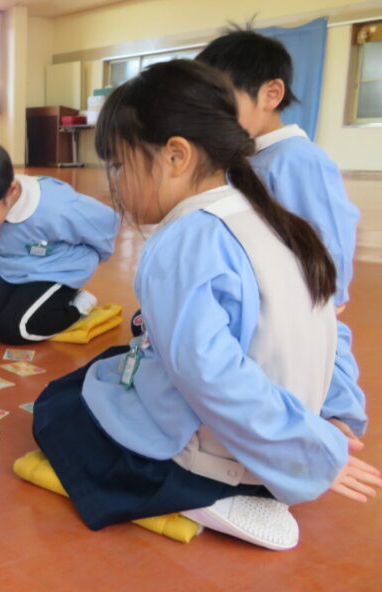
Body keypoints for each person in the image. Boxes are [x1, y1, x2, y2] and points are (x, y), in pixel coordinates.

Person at [31, 60, 379, 550]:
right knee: (107, 367)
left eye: (119, 165)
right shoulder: (274, 217)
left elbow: (211, 376)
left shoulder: (183, 241)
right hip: (290, 429)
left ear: (176, 155)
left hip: (235, 457)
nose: (115, 183)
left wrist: (314, 451)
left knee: (58, 407)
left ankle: (197, 496)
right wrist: (331, 419)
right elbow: (328, 330)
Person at [196, 28, 366, 438]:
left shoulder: (297, 159)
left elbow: (330, 231)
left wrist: (330, 291)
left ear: (271, 94)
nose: (213, 116)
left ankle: (337, 419)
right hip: (265, 291)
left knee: (323, 347)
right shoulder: (245, 158)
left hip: (305, 296)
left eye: (223, 103)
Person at [0, 141, 117, 344]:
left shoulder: (56, 206)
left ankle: (79, 305)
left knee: (16, 329)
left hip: (56, 270)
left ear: (11, 191)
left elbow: (105, 222)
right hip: (10, 268)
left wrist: (95, 258)